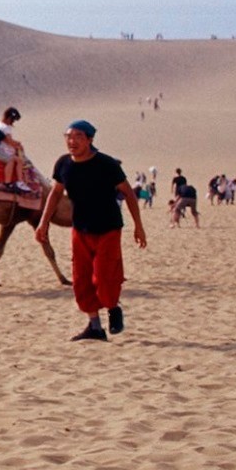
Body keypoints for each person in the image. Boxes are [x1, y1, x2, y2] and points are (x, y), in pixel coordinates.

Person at [35, 119, 146, 342]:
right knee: (81, 279)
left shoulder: (107, 164)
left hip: (108, 228)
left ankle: (113, 307)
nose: (71, 141)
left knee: (105, 278)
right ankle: (95, 327)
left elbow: (128, 193)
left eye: (77, 136)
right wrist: (43, 222)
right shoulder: (63, 164)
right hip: (80, 229)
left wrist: (138, 226)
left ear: (90, 139)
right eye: (68, 136)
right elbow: (56, 193)